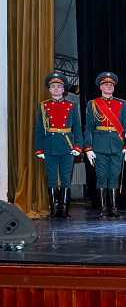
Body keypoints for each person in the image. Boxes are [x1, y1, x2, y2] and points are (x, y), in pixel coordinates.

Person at [84, 72, 126, 219]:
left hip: (117, 145)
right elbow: (89, 127)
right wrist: (88, 148)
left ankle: (114, 208)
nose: (109, 86)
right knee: (101, 176)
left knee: (114, 176)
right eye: (106, 84)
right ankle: (103, 208)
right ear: (100, 87)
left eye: (111, 85)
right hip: (99, 146)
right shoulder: (93, 104)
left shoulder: (121, 103)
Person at [35, 72, 83, 218]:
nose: (56, 88)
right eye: (53, 86)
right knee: (52, 178)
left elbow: (77, 128)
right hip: (49, 146)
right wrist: (39, 148)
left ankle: (64, 208)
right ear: (49, 89)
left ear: (63, 89)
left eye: (59, 86)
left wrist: (78, 146)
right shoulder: (43, 106)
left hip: (67, 146)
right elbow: (39, 129)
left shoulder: (71, 106)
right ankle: (54, 209)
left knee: (65, 178)